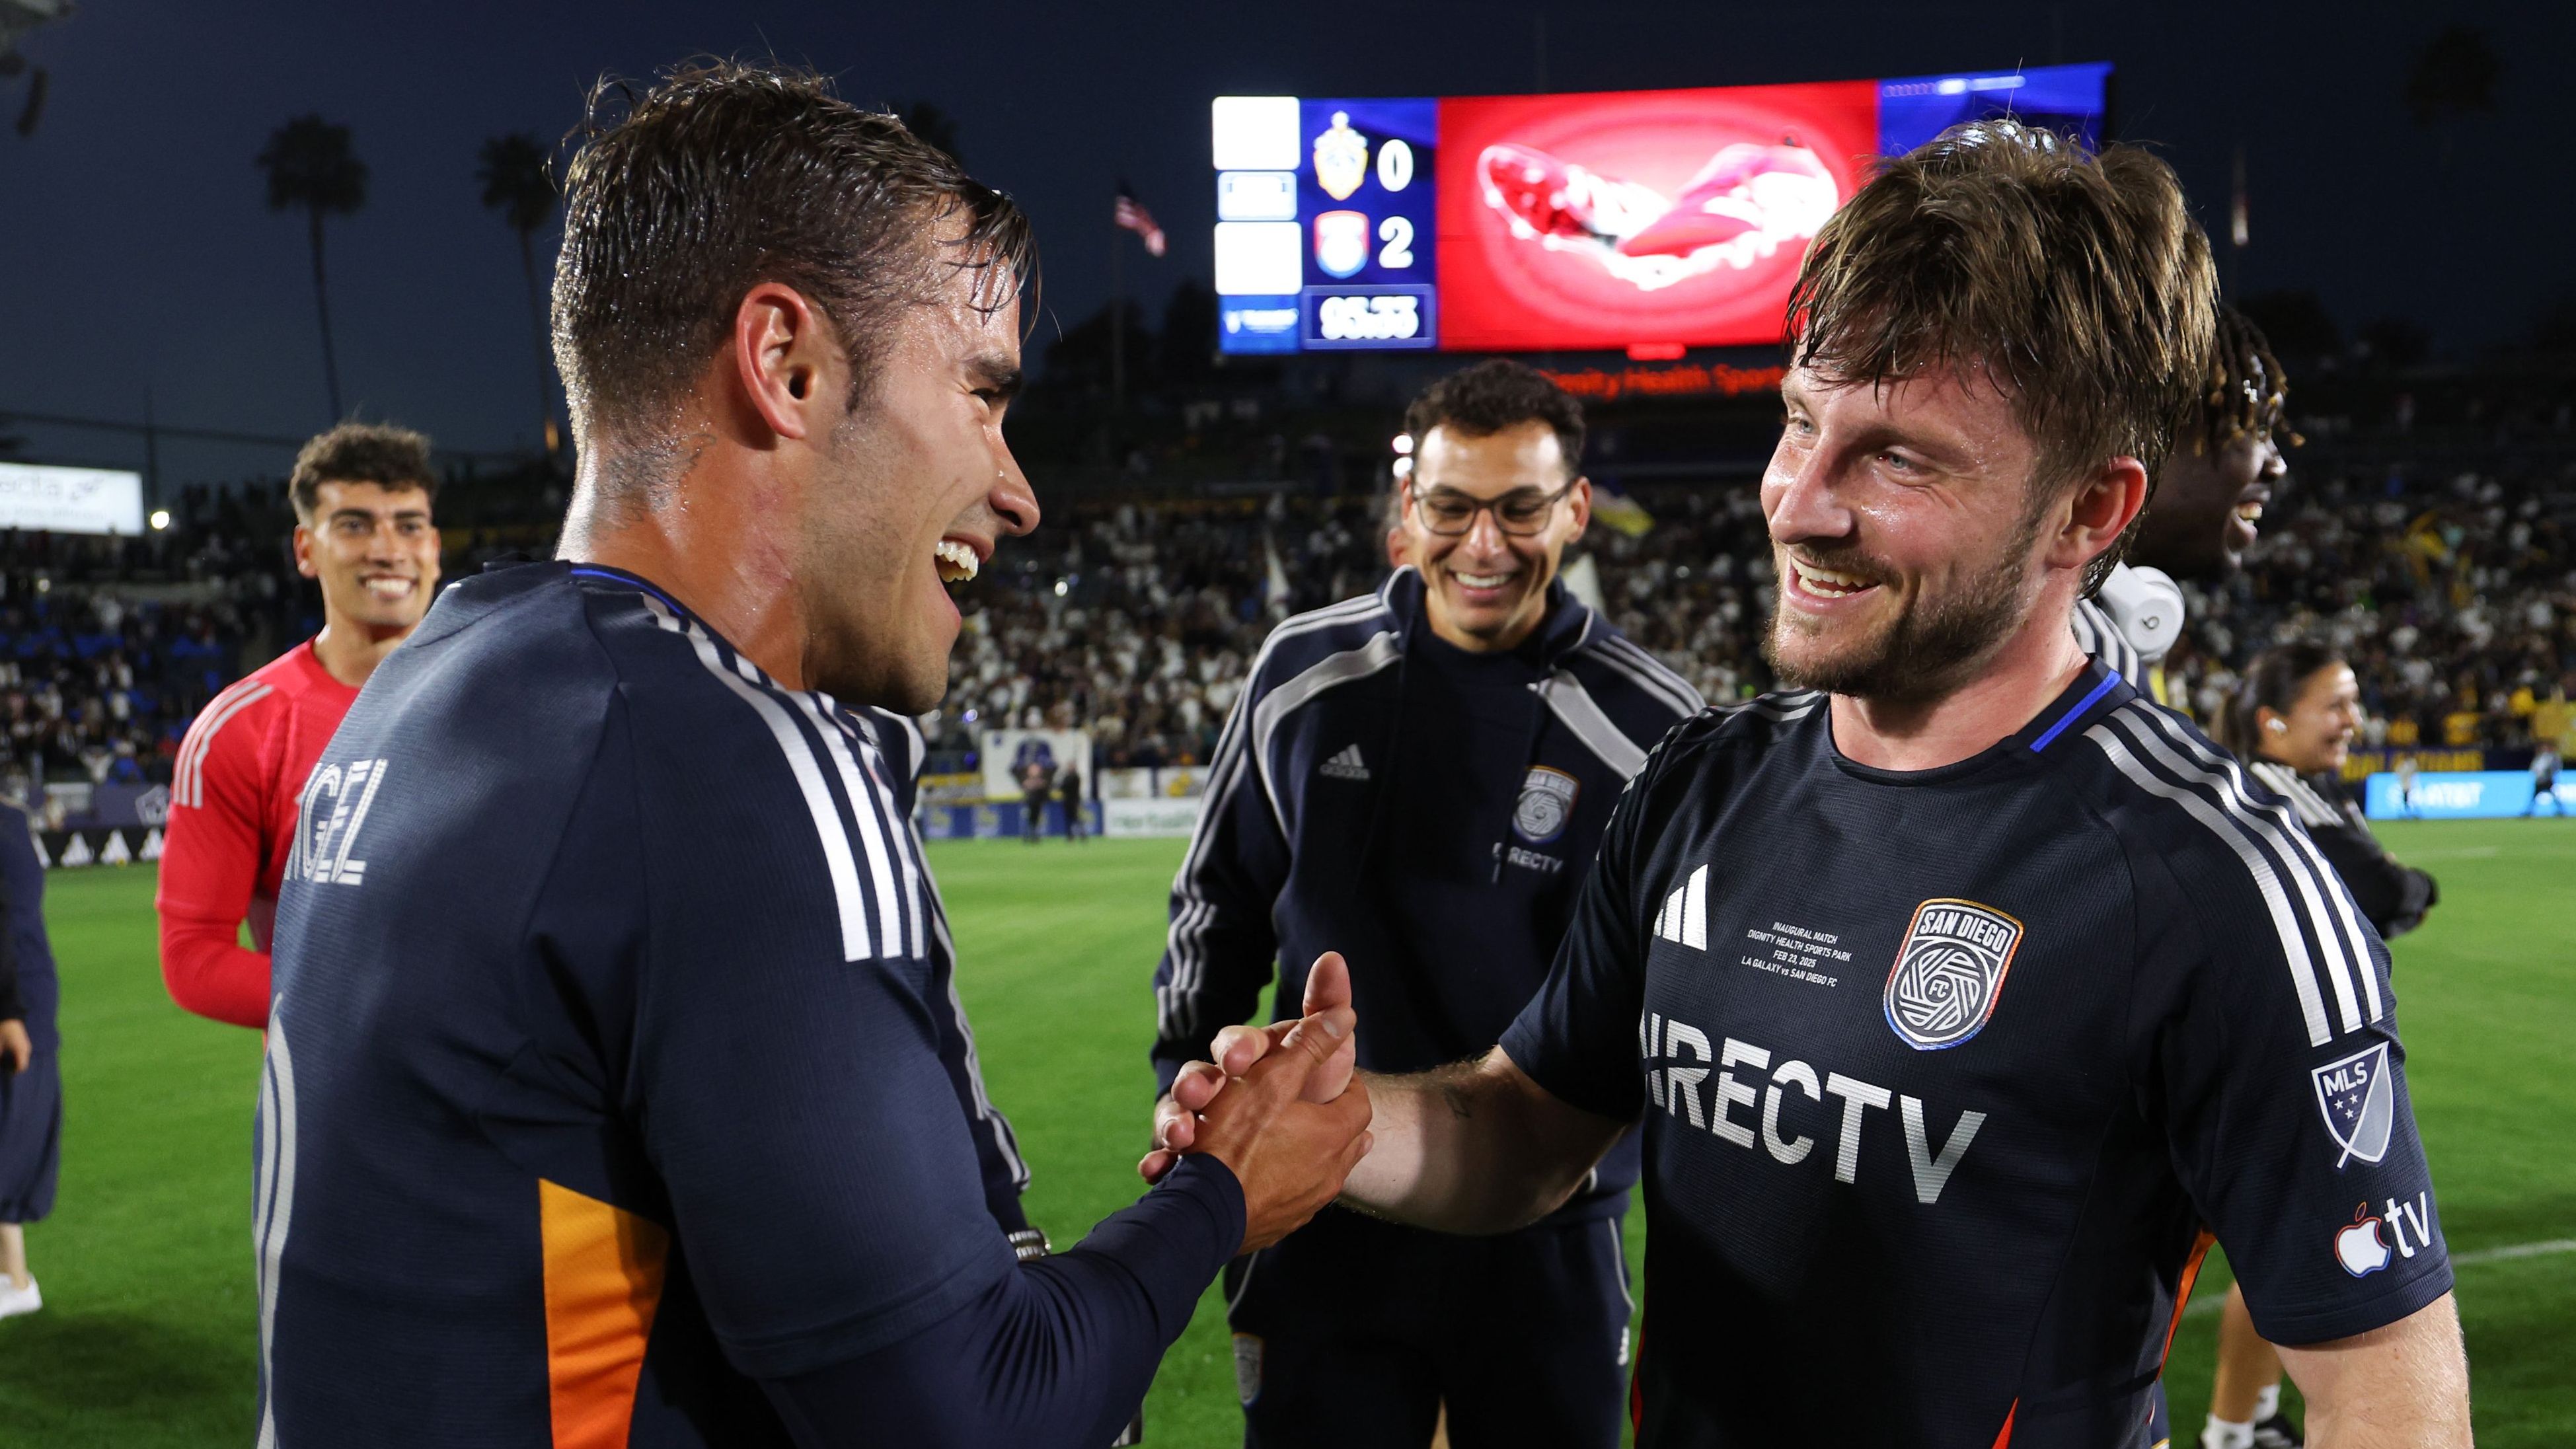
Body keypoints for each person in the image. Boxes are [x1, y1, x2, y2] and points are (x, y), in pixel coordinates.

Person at [1155, 120, 2470, 1448]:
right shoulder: (1698, 783)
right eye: (1797, 421)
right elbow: (1526, 1128)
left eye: (1895, 455)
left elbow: (2383, 1387)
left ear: (2086, 509)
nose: (1795, 503)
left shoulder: (2221, 888)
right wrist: (1345, 1122)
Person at [256, 62, 1369, 1448]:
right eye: (980, 394)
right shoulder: (721, 764)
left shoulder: (427, 684)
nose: (1018, 489)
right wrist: (1221, 1188)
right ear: (786, 366)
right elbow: (974, 1417)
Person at [1151, 359, 1700, 1448]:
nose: (1482, 544)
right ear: (1409, 508)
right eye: (1450, 507)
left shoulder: (1657, 728)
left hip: (1548, 1224)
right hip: (1322, 1207)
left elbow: (1680, 1008)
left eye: (1519, 509)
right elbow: (1216, 911)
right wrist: (1188, 1104)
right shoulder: (1304, 675)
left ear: (1575, 510)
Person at [155, 423, 443, 1030]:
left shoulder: (511, 707)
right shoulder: (241, 730)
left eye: (409, 524)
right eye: (355, 525)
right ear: (306, 549)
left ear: (435, 547)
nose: (388, 549)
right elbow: (193, 956)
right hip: (335, 1090)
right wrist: (391, 1008)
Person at [0, 793, 57, 1321]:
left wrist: (8, 1010)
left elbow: (10, 921)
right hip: (23, 999)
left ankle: (16, 1282)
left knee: (9, 1141)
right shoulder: (12, 820)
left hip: (16, 1005)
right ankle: (14, 1280)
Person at [2528, 737, 2562, 817]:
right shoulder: (2540, 757)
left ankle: (2560, 811)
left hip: (2547, 780)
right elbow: (2534, 767)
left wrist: (2549, 774)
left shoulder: (2553, 757)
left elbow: (2556, 767)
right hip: (2539, 780)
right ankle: (2529, 811)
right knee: (2534, 797)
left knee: (2554, 796)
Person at [1059, 761, 1089, 842]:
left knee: (1076, 819)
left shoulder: (1075, 777)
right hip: (1067, 801)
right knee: (1069, 820)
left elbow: (1064, 786)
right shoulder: (1067, 777)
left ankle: (1082, 834)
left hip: (1074, 801)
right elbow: (1062, 787)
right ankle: (1070, 836)